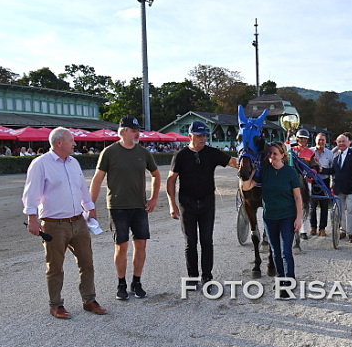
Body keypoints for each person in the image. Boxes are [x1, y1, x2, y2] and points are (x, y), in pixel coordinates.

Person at [22, 127, 106, 319]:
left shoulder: (74, 162)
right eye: (71, 140)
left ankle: (89, 300)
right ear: (59, 142)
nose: (75, 144)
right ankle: (56, 305)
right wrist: (32, 218)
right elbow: (31, 193)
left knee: (87, 263)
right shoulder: (40, 164)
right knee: (55, 267)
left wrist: (90, 207)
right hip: (54, 224)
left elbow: (82, 188)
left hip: (78, 221)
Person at [90, 115, 161, 300]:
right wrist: (90, 206)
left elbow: (156, 174)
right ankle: (121, 284)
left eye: (138, 130)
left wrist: (154, 198)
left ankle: (137, 282)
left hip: (139, 206)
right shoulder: (109, 152)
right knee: (121, 246)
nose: (137, 134)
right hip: (117, 207)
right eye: (134, 130)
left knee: (141, 244)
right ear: (123, 132)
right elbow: (97, 180)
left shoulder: (144, 153)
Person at [166, 121, 237, 292]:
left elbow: (233, 162)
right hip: (187, 203)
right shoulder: (180, 156)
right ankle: (192, 277)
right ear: (190, 136)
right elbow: (171, 180)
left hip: (207, 202)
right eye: (199, 136)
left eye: (205, 135)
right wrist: (172, 204)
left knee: (207, 240)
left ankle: (207, 277)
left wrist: (250, 160)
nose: (203, 138)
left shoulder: (212, 153)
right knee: (190, 241)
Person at [242, 142, 303, 300]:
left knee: (285, 252)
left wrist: (299, 217)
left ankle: (289, 284)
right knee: (275, 252)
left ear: (282, 155)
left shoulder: (290, 172)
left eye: (275, 153)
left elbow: (297, 197)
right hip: (270, 217)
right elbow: (246, 187)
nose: (271, 156)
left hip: (287, 216)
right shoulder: (264, 171)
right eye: (269, 153)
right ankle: (280, 279)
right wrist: (251, 172)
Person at [332, 134, 352, 243]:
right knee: (340, 211)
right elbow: (333, 170)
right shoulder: (335, 155)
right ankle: (343, 230)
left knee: (351, 210)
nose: (341, 143)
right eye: (339, 142)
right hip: (339, 188)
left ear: (348, 142)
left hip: (351, 187)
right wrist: (320, 169)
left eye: (343, 141)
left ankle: (351, 233)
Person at [292, 128, 319, 240]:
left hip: (306, 181)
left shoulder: (310, 153)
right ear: (297, 139)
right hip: (292, 181)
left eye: (305, 139)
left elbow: (315, 166)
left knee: (304, 205)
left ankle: (303, 230)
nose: (302, 140)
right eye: (301, 138)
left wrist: (313, 171)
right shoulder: (291, 150)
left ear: (307, 140)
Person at [309, 132, 334, 237]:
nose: (321, 142)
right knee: (312, 206)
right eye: (319, 139)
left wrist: (322, 170)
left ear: (325, 141)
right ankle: (313, 227)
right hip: (312, 181)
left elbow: (333, 170)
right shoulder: (310, 151)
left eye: (323, 140)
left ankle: (322, 228)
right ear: (315, 140)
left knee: (324, 206)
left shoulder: (330, 153)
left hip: (324, 181)